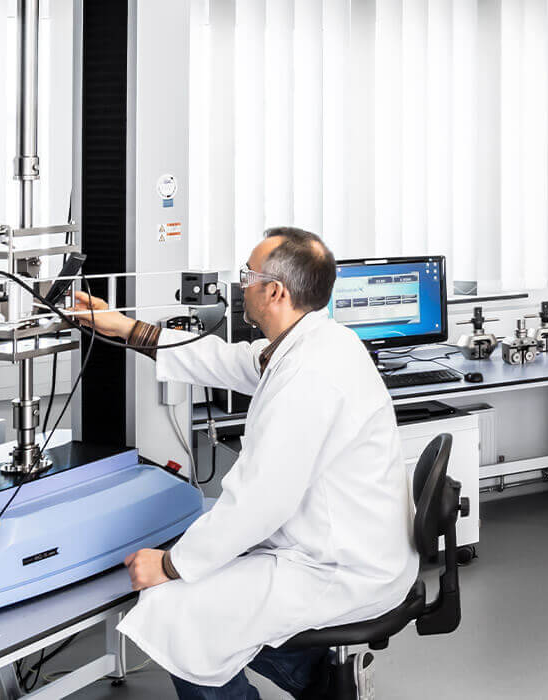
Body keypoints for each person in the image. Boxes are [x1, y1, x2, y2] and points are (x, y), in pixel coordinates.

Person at [68, 227, 414, 700]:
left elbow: (260, 504)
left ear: (275, 292)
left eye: (247, 275)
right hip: (338, 543)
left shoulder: (308, 376)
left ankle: (317, 683)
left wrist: (170, 564)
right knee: (216, 602)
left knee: (177, 610)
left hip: (339, 567)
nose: (240, 284)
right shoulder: (319, 341)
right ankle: (324, 685)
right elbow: (225, 361)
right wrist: (126, 328)